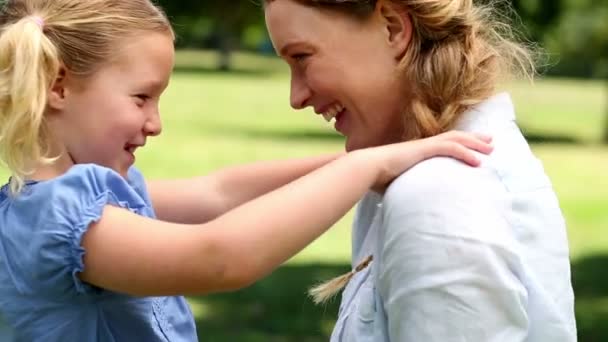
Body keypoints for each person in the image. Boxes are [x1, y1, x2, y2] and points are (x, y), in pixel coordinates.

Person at [0, 0, 494, 341]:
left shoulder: (89, 196)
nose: (155, 124)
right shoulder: (53, 223)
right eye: (142, 97)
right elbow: (220, 257)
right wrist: (369, 166)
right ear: (58, 87)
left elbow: (219, 191)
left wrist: (384, 153)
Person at [264, 0, 577, 341]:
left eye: (302, 57)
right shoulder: (401, 173)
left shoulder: (437, 196)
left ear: (393, 28)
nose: (296, 97)